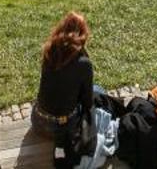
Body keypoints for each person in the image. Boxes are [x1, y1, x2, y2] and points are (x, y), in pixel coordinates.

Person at [33, 12, 106, 166]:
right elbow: (87, 103)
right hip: (64, 126)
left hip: (38, 121)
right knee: (99, 90)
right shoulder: (83, 63)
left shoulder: (49, 52)